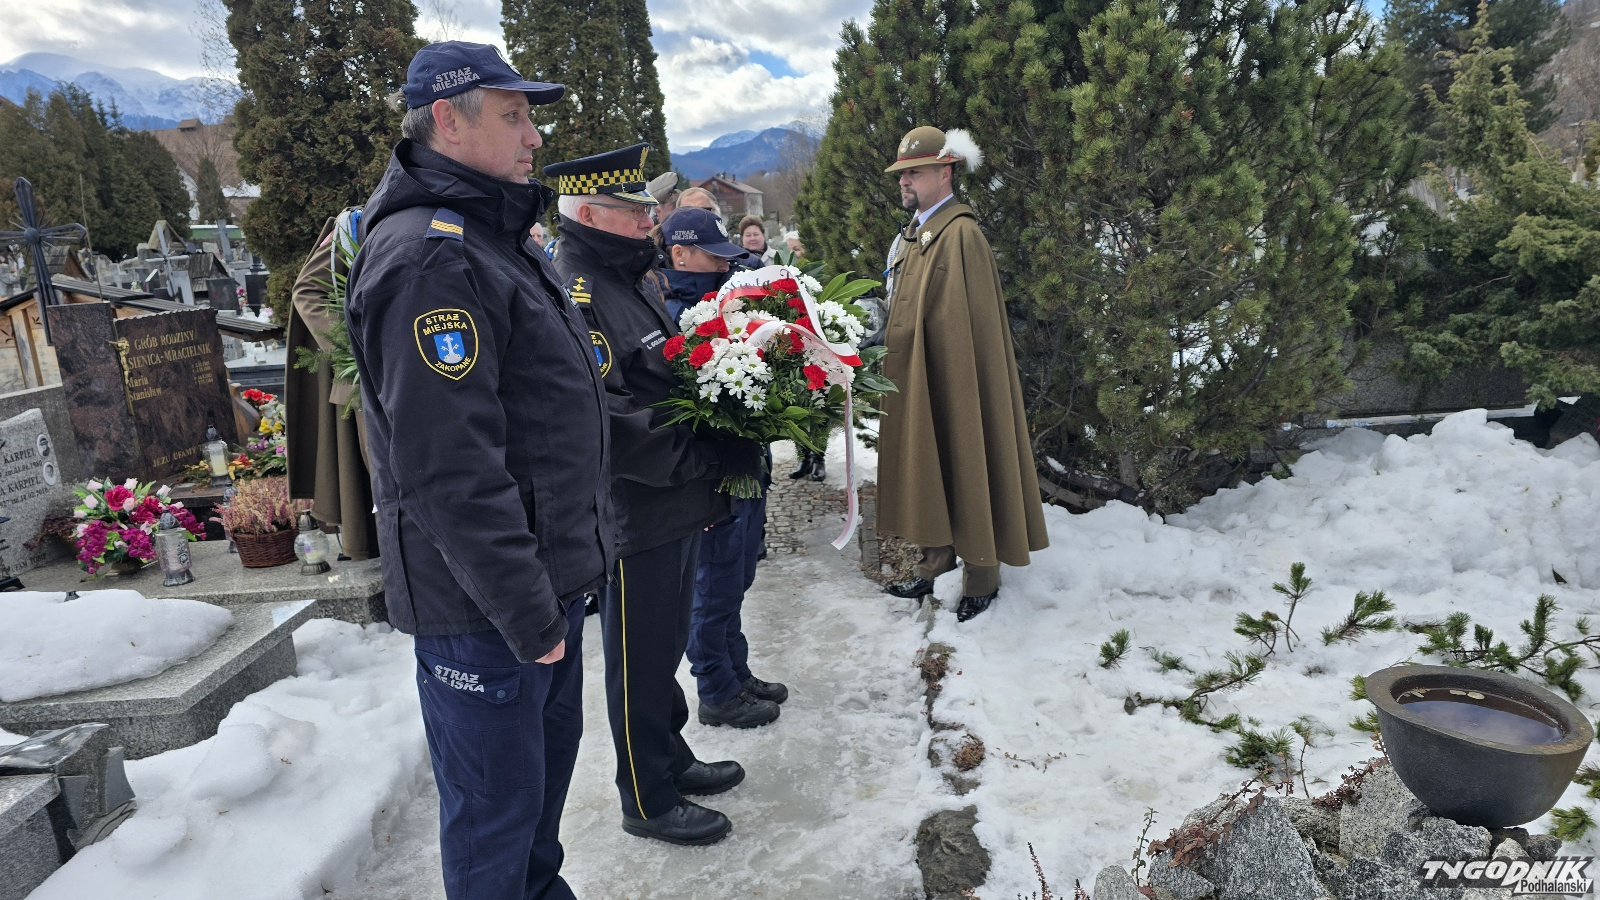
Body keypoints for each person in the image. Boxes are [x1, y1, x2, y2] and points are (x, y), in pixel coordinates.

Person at [342, 41, 615, 900]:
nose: (535, 136)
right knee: (496, 832)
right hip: (489, 612)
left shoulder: (492, 237)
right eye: (514, 115)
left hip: (536, 591)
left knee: (533, 820)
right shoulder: (433, 259)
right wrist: (531, 615)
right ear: (448, 122)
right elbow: (449, 470)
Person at [545, 144, 763, 846]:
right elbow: (606, 416)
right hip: (635, 505)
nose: (650, 222)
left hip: (673, 496)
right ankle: (645, 794)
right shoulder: (579, 288)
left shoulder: (626, 276)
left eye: (649, 209)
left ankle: (670, 755)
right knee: (637, 657)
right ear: (588, 215)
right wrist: (700, 450)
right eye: (633, 211)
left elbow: (664, 370)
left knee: (664, 643)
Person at [877, 125, 1049, 622]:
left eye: (916, 172)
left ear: (946, 172)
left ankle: (980, 577)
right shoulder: (916, 235)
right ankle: (934, 563)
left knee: (968, 453)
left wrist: (955, 378)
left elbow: (970, 330)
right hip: (917, 373)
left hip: (956, 378)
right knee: (928, 462)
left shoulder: (962, 236)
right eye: (903, 173)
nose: (905, 181)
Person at [659, 207, 788, 729]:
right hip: (710, 476)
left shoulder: (725, 300)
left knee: (737, 578)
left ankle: (736, 668)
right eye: (711, 256)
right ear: (680, 254)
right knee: (712, 586)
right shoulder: (672, 314)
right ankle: (716, 689)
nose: (722, 265)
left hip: (744, 465)